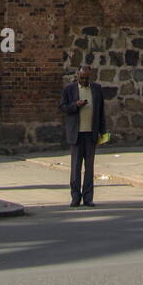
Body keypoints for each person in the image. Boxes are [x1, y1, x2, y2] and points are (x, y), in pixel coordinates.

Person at [60, 64, 106, 207]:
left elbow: (101, 112)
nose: (84, 80)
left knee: (89, 167)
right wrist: (76, 105)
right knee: (75, 167)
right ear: (77, 76)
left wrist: (103, 132)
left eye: (87, 78)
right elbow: (63, 107)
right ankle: (75, 197)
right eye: (82, 78)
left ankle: (88, 197)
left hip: (91, 133)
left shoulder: (96, 89)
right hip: (76, 133)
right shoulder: (69, 89)